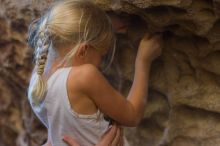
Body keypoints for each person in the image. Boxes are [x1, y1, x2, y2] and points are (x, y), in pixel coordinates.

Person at [27, 0, 162, 146]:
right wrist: (143, 61)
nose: (101, 60)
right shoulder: (84, 76)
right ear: (83, 50)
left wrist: (101, 28)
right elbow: (132, 115)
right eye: (102, 55)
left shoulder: (38, 76)